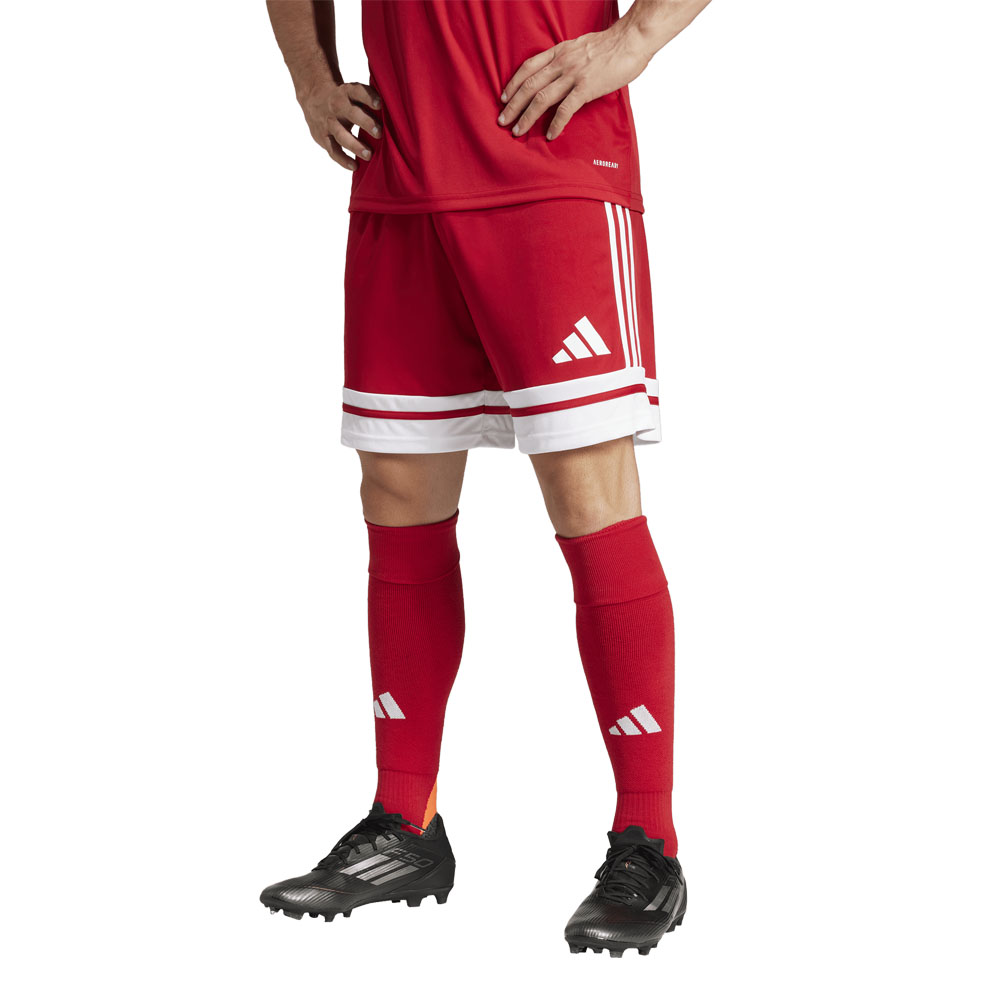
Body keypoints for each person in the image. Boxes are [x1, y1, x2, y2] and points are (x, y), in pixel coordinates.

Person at [261, 0, 711, 957]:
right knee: (397, 495)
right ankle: (406, 820)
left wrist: (632, 41)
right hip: (402, 175)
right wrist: (311, 78)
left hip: (551, 169)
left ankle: (650, 841)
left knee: (589, 497)